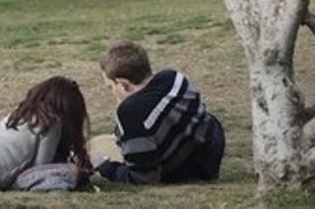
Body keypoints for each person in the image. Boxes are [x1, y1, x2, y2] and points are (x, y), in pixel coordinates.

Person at [95, 41, 225, 185]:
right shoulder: (173, 77)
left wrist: (107, 168)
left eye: (110, 87)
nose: (112, 93)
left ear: (123, 84)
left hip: (186, 172)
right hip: (210, 151)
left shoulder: (131, 112)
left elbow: (143, 178)